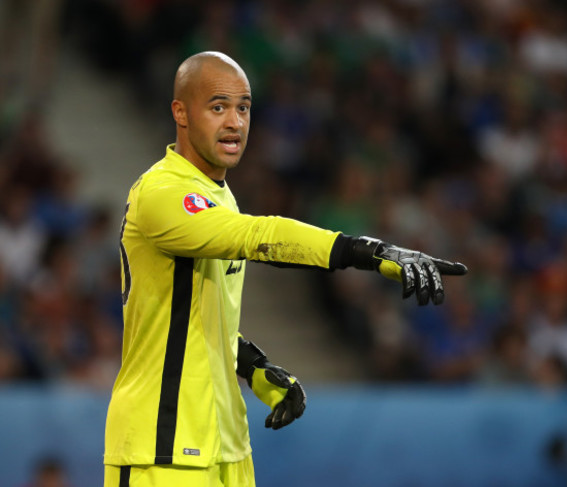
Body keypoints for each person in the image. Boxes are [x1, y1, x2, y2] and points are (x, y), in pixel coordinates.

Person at [103, 51, 467, 487]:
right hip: (162, 448)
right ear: (180, 112)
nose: (235, 122)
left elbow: (196, 314)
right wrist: (366, 251)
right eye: (218, 107)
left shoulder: (217, 195)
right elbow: (259, 236)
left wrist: (255, 368)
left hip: (225, 444)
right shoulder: (162, 192)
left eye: (244, 107)